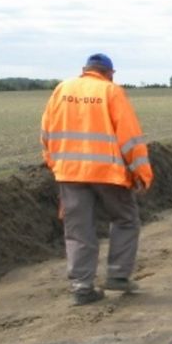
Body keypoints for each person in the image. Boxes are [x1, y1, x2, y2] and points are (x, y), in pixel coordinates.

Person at [40, 53, 154, 305]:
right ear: (110, 73)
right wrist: (141, 174)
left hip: (69, 173)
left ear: (85, 70)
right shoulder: (111, 91)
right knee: (125, 220)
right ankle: (118, 275)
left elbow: (46, 134)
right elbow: (130, 137)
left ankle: (82, 288)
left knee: (79, 229)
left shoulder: (62, 89)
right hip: (107, 173)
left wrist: (55, 165)